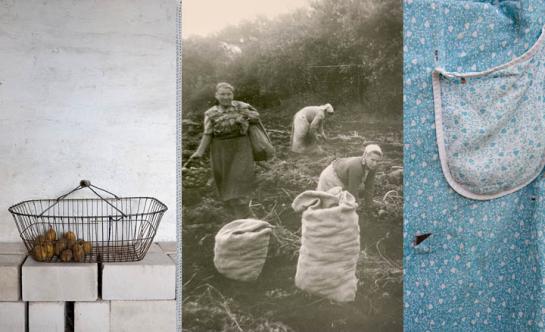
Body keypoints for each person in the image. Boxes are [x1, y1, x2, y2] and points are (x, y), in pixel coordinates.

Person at [190, 82, 259, 219]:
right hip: (220, 149)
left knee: (239, 177)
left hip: (241, 146)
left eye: (229, 94)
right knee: (225, 180)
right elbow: (208, 133)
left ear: (232, 95)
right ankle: (232, 209)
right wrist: (199, 152)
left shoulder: (242, 106)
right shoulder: (210, 113)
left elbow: (256, 116)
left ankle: (245, 212)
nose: (226, 97)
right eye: (222, 94)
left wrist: (246, 116)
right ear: (216, 95)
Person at [316, 144, 383, 207]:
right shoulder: (356, 166)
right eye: (372, 160)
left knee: (360, 190)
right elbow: (353, 190)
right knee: (329, 202)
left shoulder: (372, 166)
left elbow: (369, 186)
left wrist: (370, 203)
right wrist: (356, 206)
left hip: (344, 178)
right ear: (365, 156)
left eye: (377, 161)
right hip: (331, 177)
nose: (374, 163)